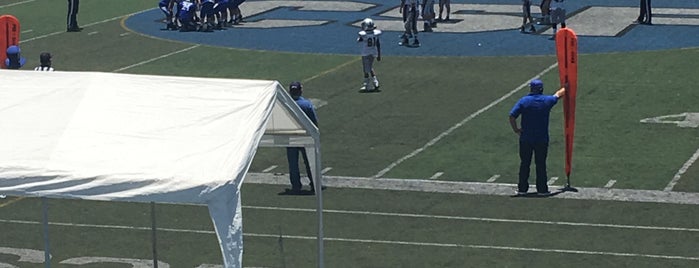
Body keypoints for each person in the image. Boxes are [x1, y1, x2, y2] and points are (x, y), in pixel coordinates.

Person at [508, 79, 566, 196]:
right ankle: (542, 189)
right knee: (541, 164)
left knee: (525, 164)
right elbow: (558, 95)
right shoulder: (546, 101)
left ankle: (522, 188)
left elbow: (512, 115)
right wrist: (566, 86)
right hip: (541, 139)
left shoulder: (524, 101)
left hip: (526, 139)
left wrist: (516, 129)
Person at [285, 81, 319, 194]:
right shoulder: (307, 104)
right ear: (301, 90)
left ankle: (296, 186)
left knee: (293, 163)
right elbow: (314, 122)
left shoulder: (286, 104)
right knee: (309, 161)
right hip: (305, 136)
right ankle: (314, 183)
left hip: (291, 137)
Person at [357, 18, 381, 91]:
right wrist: (379, 54)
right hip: (373, 52)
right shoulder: (376, 34)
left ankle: (368, 84)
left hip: (366, 52)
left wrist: (360, 38)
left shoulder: (363, 35)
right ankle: (374, 82)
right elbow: (378, 44)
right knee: (370, 67)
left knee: (366, 69)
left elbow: (359, 40)